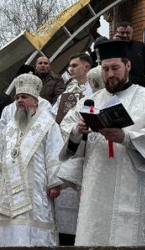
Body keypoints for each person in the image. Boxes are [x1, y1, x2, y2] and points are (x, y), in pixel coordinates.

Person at [61, 39, 145, 246]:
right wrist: (78, 130)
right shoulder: (89, 102)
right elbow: (65, 135)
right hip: (96, 188)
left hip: (132, 185)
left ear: (128, 66)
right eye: (105, 69)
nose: (110, 74)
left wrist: (126, 137)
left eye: (115, 68)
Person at [0, 73, 63, 246]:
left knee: (33, 224)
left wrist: (54, 182)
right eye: (17, 97)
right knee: (9, 227)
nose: (19, 100)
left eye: (24, 97)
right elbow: (0, 159)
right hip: (8, 190)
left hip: (36, 188)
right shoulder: (8, 128)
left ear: (35, 101)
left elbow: (54, 152)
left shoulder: (47, 124)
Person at [52, 53, 93, 245]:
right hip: (71, 148)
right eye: (70, 66)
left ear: (86, 67)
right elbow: (55, 118)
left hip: (93, 149)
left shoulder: (96, 88)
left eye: (74, 65)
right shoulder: (66, 93)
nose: (70, 69)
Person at [113, 21, 145, 87]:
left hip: (140, 85)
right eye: (122, 33)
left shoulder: (141, 46)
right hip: (120, 86)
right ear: (117, 33)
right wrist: (115, 44)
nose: (125, 35)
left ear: (132, 33)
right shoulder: (113, 47)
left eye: (128, 33)